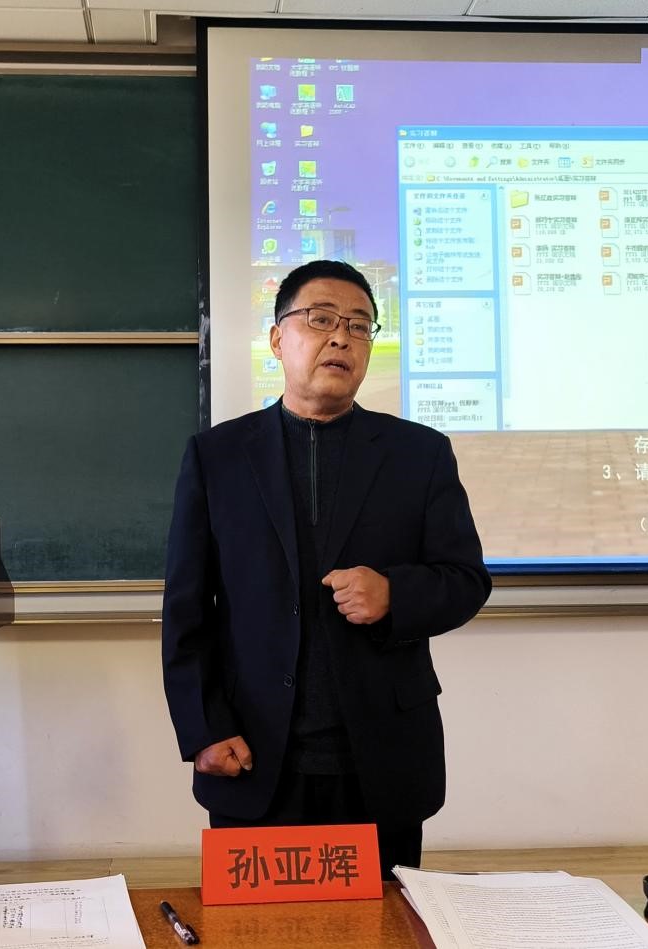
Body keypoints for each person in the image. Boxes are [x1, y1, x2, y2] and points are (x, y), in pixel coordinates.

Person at [161, 259, 491, 878]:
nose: (342, 337)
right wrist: (203, 727)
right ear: (277, 338)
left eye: (360, 326)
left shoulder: (419, 454)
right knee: (259, 928)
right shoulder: (218, 455)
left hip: (382, 759)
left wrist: (395, 594)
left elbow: (466, 580)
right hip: (252, 754)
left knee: (384, 924)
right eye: (321, 319)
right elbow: (186, 607)